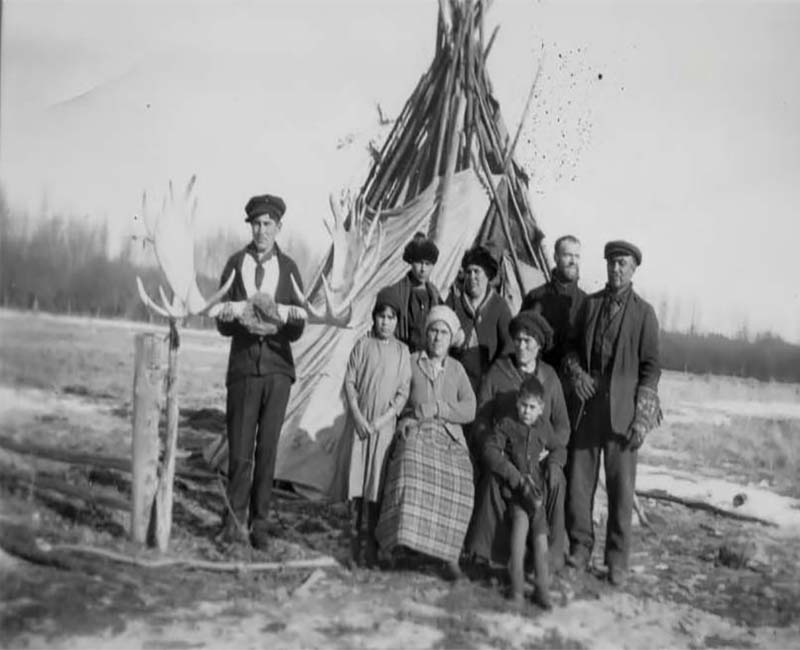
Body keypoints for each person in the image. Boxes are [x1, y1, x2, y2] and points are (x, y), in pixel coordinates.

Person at [563, 240, 661, 586]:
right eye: (611, 263)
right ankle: (579, 547)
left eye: (622, 264)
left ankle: (617, 561)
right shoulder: (590, 306)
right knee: (579, 483)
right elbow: (570, 350)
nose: (615, 269)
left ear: (634, 269)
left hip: (623, 414)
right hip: (588, 409)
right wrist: (577, 375)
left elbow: (651, 369)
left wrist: (643, 417)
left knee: (621, 490)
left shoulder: (644, 313)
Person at [215, 193, 306, 549]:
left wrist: (292, 319)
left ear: (278, 227)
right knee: (240, 450)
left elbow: (298, 330)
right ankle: (233, 521)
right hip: (243, 370)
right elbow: (223, 325)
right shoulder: (235, 263)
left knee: (267, 449)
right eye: (256, 224)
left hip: (278, 371)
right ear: (250, 227)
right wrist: (226, 317)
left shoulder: (291, 269)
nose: (262, 230)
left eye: (268, 224)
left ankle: (260, 523)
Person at [375, 305, 476, 580]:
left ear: (450, 338)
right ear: (426, 334)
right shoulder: (411, 361)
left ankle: (450, 555)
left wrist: (439, 409)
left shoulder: (456, 369)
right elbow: (396, 395)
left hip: (448, 435)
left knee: (461, 477)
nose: (437, 338)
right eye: (433, 331)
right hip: (416, 430)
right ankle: (394, 544)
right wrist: (408, 418)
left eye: (444, 333)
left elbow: (469, 409)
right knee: (410, 465)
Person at [466, 310, 570, 570]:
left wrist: (551, 453)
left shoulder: (550, 378)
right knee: (493, 479)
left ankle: (549, 558)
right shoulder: (498, 372)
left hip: (539, 458)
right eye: (518, 340)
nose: (522, 347)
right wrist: (493, 448)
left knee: (556, 479)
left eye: (529, 342)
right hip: (504, 454)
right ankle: (490, 555)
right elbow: (481, 419)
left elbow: (563, 427)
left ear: (539, 346)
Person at [343, 288, 412, 567]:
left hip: (382, 428)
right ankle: (354, 543)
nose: (386, 322)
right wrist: (359, 418)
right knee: (357, 484)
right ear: (374, 318)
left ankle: (371, 543)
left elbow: (403, 393)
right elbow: (349, 382)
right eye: (381, 316)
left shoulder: (402, 351)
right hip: (360, 427)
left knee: (375, 485)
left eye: (391, 317)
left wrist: (380, 421)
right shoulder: (362, 345)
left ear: (397, 321)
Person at [482, 376, 554, 609]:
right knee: (518, 542)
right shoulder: (506, 425)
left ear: (541, 408)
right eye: (523, 405)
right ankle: (516, 591)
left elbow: (560, 446)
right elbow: (491, 449)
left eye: (532, 407)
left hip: (538, 496)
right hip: (518, 497)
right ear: (517, 403)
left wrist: (552, 459)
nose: (526, 411)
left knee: (542, 542)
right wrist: (513, 474)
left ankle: (543, 590)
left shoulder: (544, 428)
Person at [447, 244, 513, 398]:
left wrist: (496, 372)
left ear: (487, 275)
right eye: (469, 272)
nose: (472, 277)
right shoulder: (454, 302)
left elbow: (509, 344)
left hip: (487, 378)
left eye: (477, 272)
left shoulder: (499, 306)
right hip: (456, 377)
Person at [520, 235, 586, 372]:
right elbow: (522, 338)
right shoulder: (535, 296)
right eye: (568, 255)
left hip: (573, 382)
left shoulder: (586, 302)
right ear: (555, 257)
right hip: (540, 375)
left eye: (577, 256)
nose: (573, 261)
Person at [386, 232, 443, 353]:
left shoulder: (435, 295)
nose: (423, 269)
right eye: (419, 263)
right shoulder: (397, 292)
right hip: (401, 353)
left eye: (427, 264)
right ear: (411, 263)